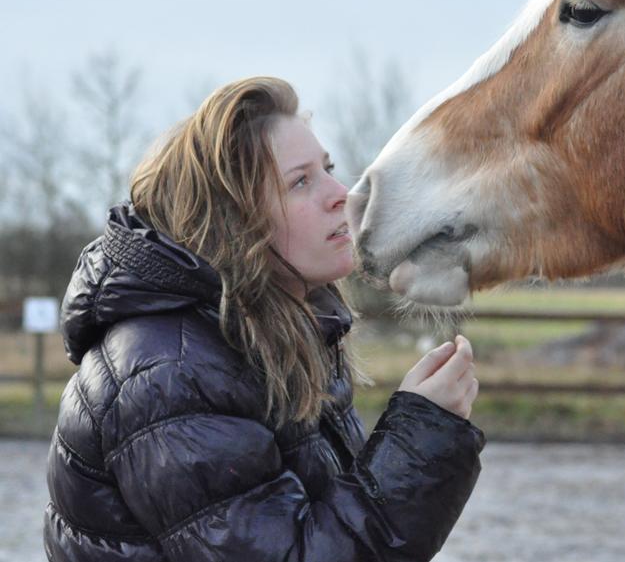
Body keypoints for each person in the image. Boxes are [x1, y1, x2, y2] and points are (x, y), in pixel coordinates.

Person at [44, 76, 483, 561]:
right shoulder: (172, 374)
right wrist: (420, 436)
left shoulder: (275, 330)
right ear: (232, 222)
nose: (340, 193)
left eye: (328, 169)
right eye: (300, 181)